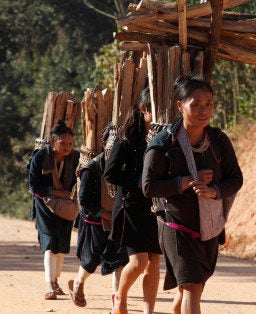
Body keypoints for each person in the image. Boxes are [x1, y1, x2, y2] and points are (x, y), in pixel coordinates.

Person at [142, 76, 243, 314]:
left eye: (208, 103)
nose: (204, 110)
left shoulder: (218, 140)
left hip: (209, 226)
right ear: (180, 106)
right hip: (176, 226)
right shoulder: (164, 144)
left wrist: (214, 190)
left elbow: (235, 178)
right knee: (192, 288)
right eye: (196, 104)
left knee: (191, 289)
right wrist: (184, 182)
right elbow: (148, 186)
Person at [105, 88, 162, 314]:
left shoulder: (165, 136)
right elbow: (111, 173)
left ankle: (149, 311)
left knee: (155, 262)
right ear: (143, 109)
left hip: (156, 206)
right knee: (139, 262)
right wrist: (140, 181)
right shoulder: (127, 137)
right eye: (154, 110)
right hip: (131, 205)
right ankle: (120, 297)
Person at [68, 124, 130, 308]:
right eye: (111, 147)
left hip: (118, 222)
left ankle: (117, 304)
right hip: (95, 222)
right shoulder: (91, 169)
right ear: (103, 144)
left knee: (119, 261)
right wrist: (105, 215)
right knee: (90, 261)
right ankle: (78, 284)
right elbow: (84, 200)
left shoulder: (125, 169)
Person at [28, 120, 80, 300]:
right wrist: (57, 193)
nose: (67, 147)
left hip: (67, 206)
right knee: (50, 243)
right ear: (52, 142)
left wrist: (69, 195)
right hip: (44, 205)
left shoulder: (75, 158)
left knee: (62, 244)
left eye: (70, 144)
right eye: (63, 143)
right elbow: (33, 186)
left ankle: (56, 279)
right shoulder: (40, 158)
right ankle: (50, 285)